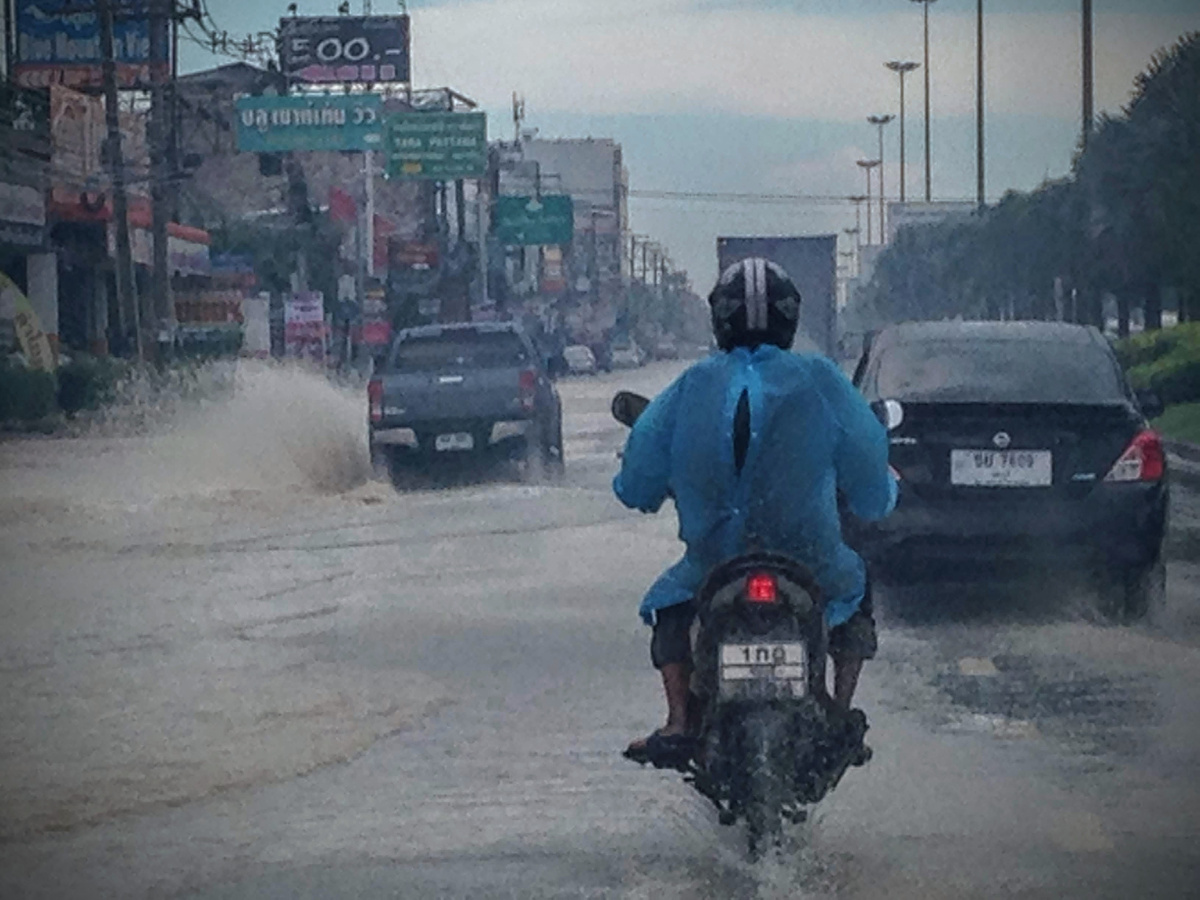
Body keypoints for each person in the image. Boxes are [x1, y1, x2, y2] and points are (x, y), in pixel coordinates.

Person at [613, 257, 897, 762]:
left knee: (670, 606)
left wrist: (645, 492)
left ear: (719, 321)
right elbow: (868, 459)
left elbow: (637, 477)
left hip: (714, 561)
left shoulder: (692, 384)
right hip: (810, 558)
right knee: (856, 589)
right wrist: (876, 500)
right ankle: (839, 707)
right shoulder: (821, 380)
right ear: (790, 320)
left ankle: (678, 721)